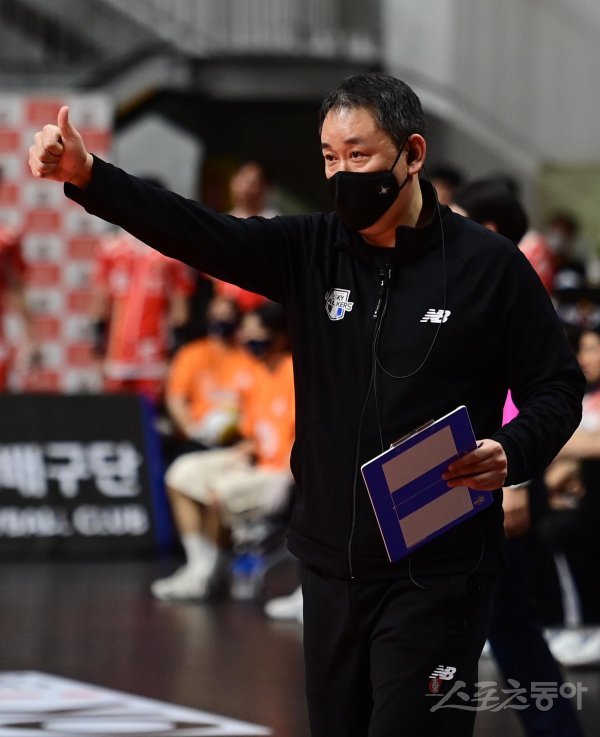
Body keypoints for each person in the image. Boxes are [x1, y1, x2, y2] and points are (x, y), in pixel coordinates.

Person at [29, 72, 584, 737]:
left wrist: (512, 451)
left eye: (359, 154)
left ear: (412, 153)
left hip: (439, 570)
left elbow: (558, 387)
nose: (341, 173)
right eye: (329, 157)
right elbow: (195, 230)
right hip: (329, 569)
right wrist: (89, 175)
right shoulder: (309, 251)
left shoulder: (488, 266)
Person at [452, 177, 585, 737]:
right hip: (472, 478)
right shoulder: (474, 283)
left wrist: (514, 487)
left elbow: (524, 398)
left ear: (487, 229)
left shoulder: (509, 289)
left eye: (456, 217)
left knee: (506, 621)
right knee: (499, 622)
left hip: (499, 481)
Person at [152, 302, 295, 602]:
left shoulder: (293, 373)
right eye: (247, 333)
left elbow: (300, 435)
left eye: (259, 333)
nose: (250, 340)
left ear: (279, 336)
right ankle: (198, 566)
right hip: (255, 459)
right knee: (180, 474)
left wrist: (288, 475)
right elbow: (256, 431)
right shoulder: (255, 372)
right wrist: (242, 450)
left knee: (218, 492)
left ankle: (209, 575)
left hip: (281, 472)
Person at [90, 223, 195, 403]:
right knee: (117, 413)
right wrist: (99, 347)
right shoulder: (110, 248)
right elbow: (101, 300)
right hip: (117, 352)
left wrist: (174, 354)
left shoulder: (170, 251)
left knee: (148, 414)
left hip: (153, 354)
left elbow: (179, 305)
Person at [162, 293, 254, 461]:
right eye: (215, 316)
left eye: (226, 316)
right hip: (198, 437)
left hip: (236, 440)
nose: (220, 321)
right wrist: (192, 431)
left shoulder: (248, 357)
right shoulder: (192, 353)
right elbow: (176, 398)